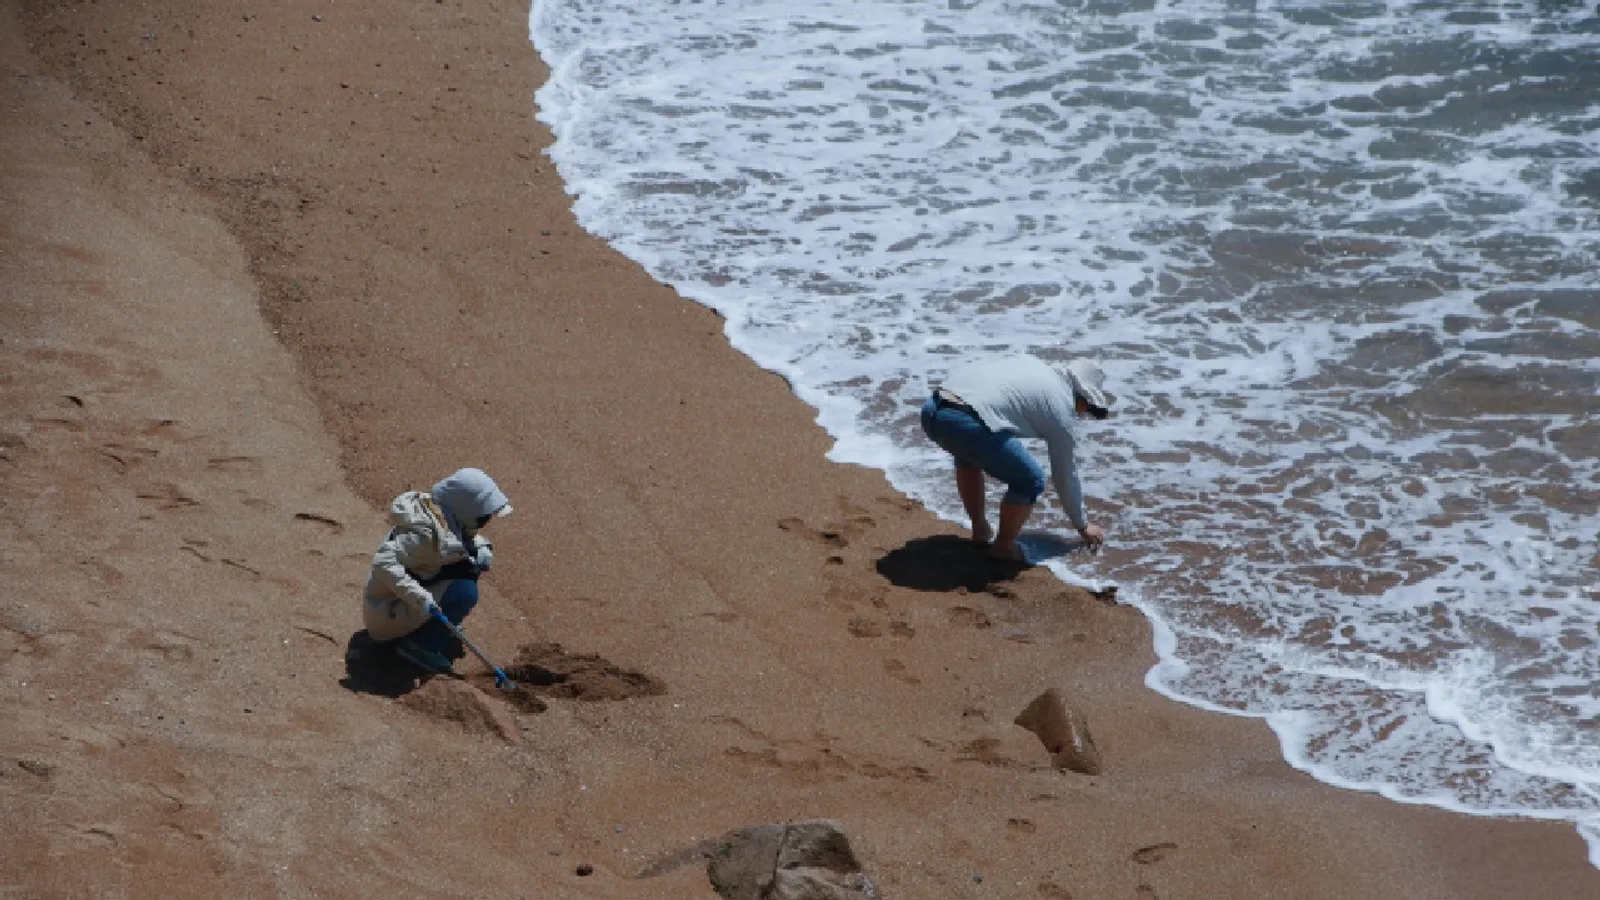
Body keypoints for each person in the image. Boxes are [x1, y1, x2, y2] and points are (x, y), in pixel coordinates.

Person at [919, 354, 1113, 563]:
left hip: (933, 409)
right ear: (1080, 396)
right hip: (963, 423)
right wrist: (1082, 525)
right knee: (1030, 480)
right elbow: (1065, 474)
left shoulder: (1034, 365)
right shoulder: (1062, 405)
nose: (1081, 414)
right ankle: (1003, 547)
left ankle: (980, 530)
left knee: (968, 456)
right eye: (1085, 407)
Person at [361, 467, 513, 674]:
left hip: (401, 597)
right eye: (482, 517)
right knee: (465, 592)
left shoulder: (437, 510)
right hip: (386, 613)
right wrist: (420, 598)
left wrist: (479, 547)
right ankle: (420, 646)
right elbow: (383, 563)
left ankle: (431, 627)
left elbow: (457, 540)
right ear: (465, 512)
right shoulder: (424, 537)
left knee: (470, 567)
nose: (485, 521)